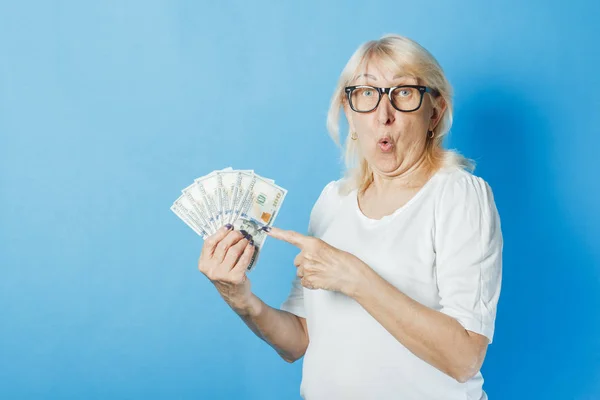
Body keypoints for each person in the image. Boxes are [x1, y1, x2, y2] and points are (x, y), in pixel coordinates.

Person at [197, 33, 503, 400]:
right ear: (349, 112)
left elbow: (464, 357)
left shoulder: (458, 195)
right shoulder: (333, 201)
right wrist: (242, 301)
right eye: (367, 94)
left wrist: (355, 277)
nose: (384, 115)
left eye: (403, 92)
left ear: (433, 112)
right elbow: (299, 341)